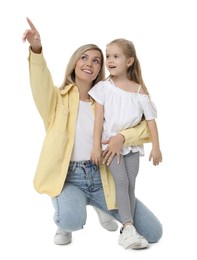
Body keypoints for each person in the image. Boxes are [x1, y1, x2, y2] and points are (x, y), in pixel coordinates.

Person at [22, 18, 163, 249]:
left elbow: (145, 125)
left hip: (102, 177)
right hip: (69, 178)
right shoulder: (56, 99)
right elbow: (39, 81)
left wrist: (123, 137)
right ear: (75, 63)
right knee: (71, 220)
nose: (90, 63)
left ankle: (101, 206)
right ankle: (67, 213)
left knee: (153, 232)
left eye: (97, 60)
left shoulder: (108, 98)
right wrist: (36, 49)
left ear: (101, 68)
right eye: (84, 57)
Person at [89, 38, 162, 249]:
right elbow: (98, 120)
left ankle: (127, 228)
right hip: (109, 146)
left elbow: (151, 123)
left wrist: (156, 147)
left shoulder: (139, 92)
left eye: (116, 56)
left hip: (132, 147)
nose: (110, 60)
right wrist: (96, 146)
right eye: (108, 56)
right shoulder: (104, 87)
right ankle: (128, 225)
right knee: (121, 182)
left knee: (131, 183)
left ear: (129, 61)